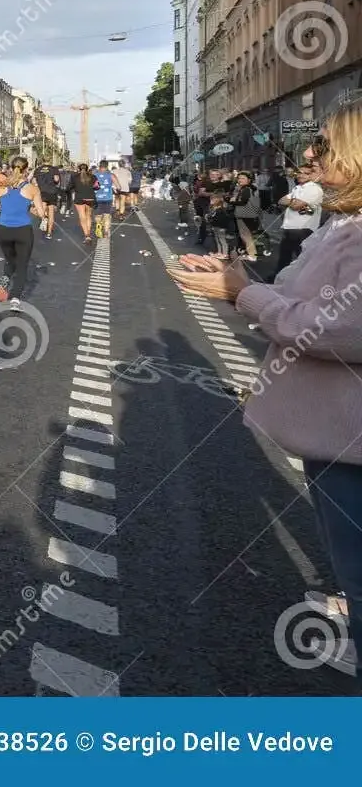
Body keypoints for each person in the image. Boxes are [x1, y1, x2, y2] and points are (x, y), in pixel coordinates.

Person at [168, 107, 362, 683]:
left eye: (324, 147)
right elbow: (295, 294)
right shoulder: (341, 224)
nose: (310, 157)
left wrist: (243, 297)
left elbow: (337, 327)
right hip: (333, 436)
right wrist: (240, 280)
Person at [0, 157, 44, 310]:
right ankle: (15, 299)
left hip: (3, 230)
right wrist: (31, 209)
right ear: (26, 169)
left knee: (10, 260)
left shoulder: (0, 186)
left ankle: (5, 278)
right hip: (23, 230)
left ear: (10, 168)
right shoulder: (32, 189)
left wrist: (6, 209)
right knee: (22, 265)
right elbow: (40, 213)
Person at [276, 163, 324, 272]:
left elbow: (297, 206)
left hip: (303, 228)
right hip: (290, 227)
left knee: (302, 260)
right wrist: (296, 204)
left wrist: (295, 204)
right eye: (299, 172)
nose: (301, 175)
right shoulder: (297, 188)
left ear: (312, 175)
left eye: (306, 173)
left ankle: (302, 283)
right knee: (284, 258)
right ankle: (277, 279)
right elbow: (281, 200)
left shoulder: (314, 188)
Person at [230, 171, 260, 260]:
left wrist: (231, 201)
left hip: (245, 214)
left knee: (246, 235)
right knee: (246, 235)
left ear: (249, 180)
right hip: (247, 214)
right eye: (239, 178)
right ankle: (250, 253)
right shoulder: (249, 188)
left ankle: (252, 255)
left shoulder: (246, 189)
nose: (240, 180)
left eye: (243, 178)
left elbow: (243, 201)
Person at [34, 162, 60, 239]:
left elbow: (34, 181)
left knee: (42, 209)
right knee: (51, 213)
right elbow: (56, 179)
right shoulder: (54, 169)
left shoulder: (38, 169)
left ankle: (44, 218)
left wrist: (39, 184)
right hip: (52, 192)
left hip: (42, 191)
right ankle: (49, 233)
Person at [92, 161, 116, 239]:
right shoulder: (111, 175)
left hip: (97, 198)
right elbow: (118, 186)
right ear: (107, 166)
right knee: (107, 216)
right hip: (108, 198)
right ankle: (105, 232)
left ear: (99, 166)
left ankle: (98, 225)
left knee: (98, 215)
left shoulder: (94, 175)